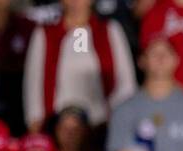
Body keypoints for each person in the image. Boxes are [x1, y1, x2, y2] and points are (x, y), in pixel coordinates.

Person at [22, 0, 137, 131]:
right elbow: (33, 83)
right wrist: (35, 122)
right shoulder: (44, 35)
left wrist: (121, 121)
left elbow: (125, 82)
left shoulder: (110, 30)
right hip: (57, 127)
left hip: (101, 125)